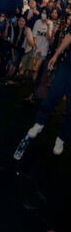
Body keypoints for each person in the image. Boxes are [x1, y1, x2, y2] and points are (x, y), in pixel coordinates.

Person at [25, 24, 71, 155]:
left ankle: (61, 138)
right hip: (67, 67)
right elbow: (69, 36)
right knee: (53, 95)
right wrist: (56, 55)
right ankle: (39, 123)